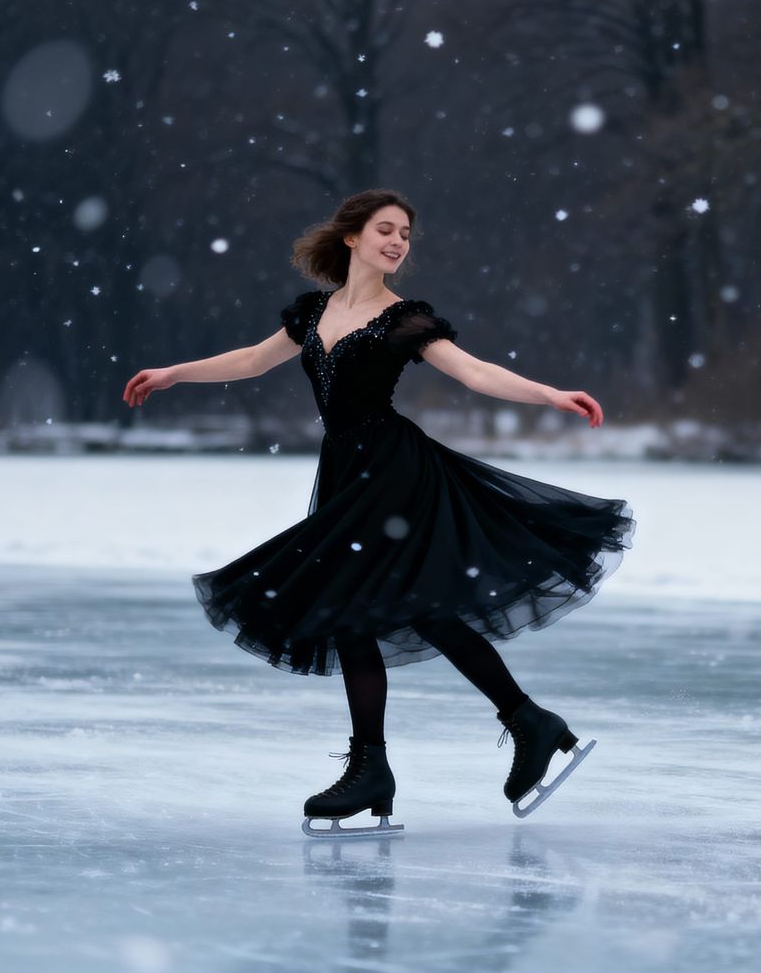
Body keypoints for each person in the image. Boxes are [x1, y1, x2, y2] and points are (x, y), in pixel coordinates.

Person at [121, 189, 635, 831]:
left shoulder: (405, 319)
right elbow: (253, 361)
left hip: (394, 473)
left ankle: (386, 761)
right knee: (388, 608)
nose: (398, 242)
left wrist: (551, 395)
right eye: (385, 230)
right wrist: (174, 373)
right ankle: (514, 723)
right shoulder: (313, 313)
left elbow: (474, 373)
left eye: (406, 234)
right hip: (345, 475)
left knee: (358, 604)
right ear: (351, 238)